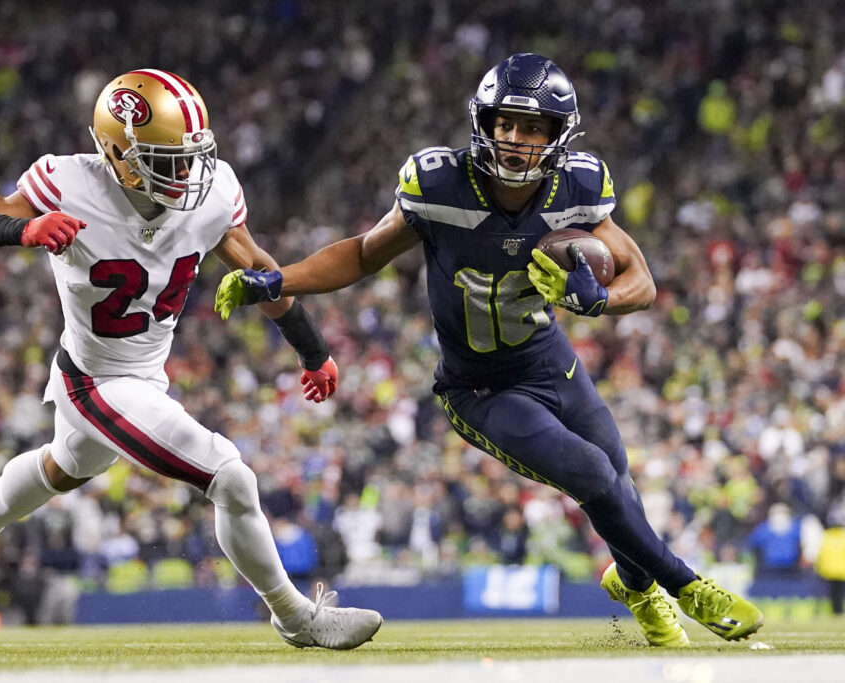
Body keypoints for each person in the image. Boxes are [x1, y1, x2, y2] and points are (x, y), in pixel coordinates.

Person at [215, 53, 763, 646]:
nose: (516, 139)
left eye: (532, 128)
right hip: (479, 387)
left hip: (549, 359)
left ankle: (633, 586)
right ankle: (687, 588)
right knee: (594, 475)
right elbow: (364, 253)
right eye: (506, 123)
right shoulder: (439, 185)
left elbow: (643, 283)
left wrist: (596, 302)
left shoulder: (577, 186)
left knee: (619, 481)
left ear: (558, 135)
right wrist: (280, 279)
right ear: (484, 122)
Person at [0, 68, 381, 650]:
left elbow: (258, 270)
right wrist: (22, 228)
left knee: (62, 468)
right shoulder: (67, 181)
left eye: (192, 157)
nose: (186, 173)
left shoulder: (212, 191)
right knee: (230, 476)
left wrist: (312, 350)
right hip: (93, 380)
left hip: (142, 378)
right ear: (115, 152)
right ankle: (296, 617)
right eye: (167, 158)